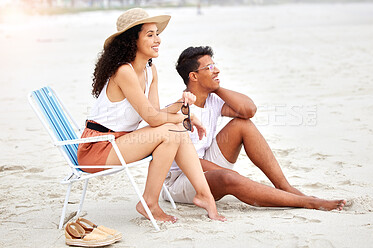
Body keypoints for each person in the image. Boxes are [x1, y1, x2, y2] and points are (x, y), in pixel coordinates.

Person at [77, 9, 226, 223]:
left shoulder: (150, 70)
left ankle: (205, 196)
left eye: (157, 34)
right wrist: (184, 118)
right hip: (97, 148)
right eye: (150, 35)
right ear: (132, 40)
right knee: (172, 131)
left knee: (177, 132)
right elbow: (156, 120)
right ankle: (149, 203)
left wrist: (181, 106)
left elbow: (154, 115)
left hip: (118, 141)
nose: (158, 40)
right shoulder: (124, 72)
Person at [162, 46, 346, 211]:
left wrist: (215, 87)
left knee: (243, 125)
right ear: (193, 76)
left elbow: (249, 110)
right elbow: (187, 160)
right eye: (209, 68)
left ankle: (284, 187)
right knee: (230, 178)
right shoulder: (181, 109)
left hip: (205, 160)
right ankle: (308, 202)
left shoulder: (212, 100)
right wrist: (225, 172)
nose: (216, 70)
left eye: (215, 65)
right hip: (180, 179)